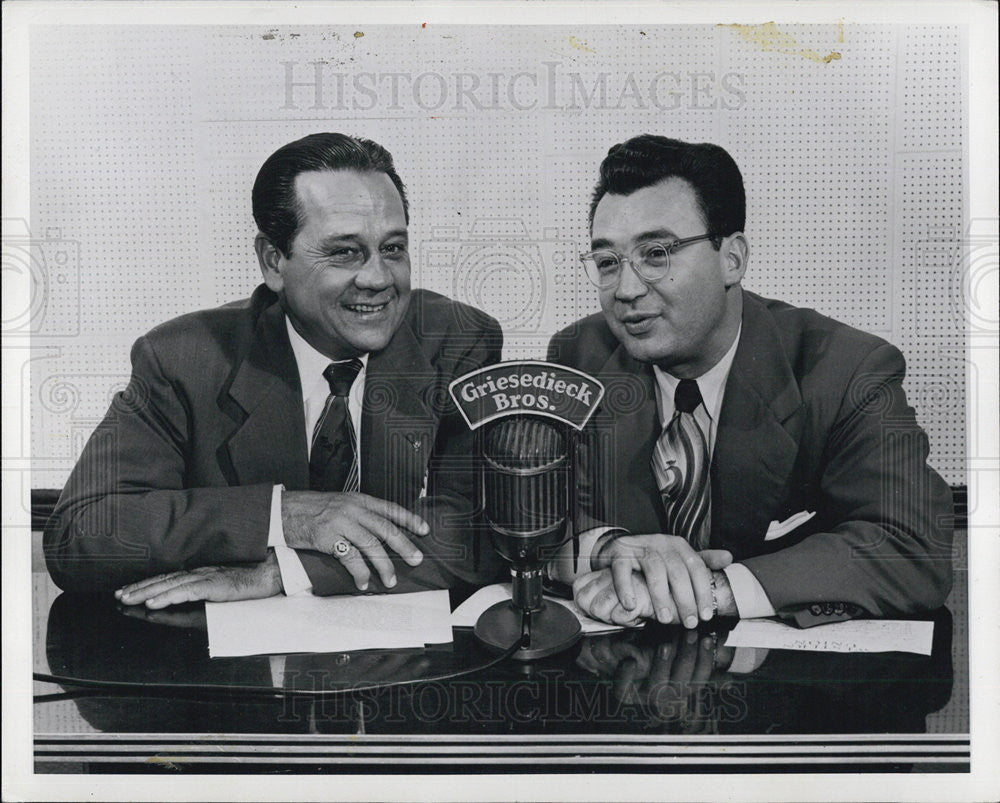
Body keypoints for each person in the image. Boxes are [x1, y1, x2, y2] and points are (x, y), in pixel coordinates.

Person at [44, 133, 504, 607]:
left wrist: (287, 570)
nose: (378, 279)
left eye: (392, 249)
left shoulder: (456, 342)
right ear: (273, 262)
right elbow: (78, 534)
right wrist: (280, 515)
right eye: (345, 252)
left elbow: (481, 533)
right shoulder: (183, 358)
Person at [548, 134, 953, 628]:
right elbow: (535, 516)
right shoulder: (579, 358)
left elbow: (909, 547)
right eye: (609, 262)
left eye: (657, 253)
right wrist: (608, 550)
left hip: (785, 691)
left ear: (732, 258)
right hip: (631, 683)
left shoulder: (847, 370)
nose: (627, 290)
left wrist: (714, 591)